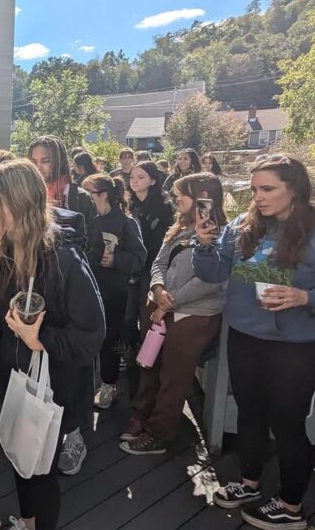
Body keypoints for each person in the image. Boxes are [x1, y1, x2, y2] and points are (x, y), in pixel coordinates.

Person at [195, 155, 315, 530]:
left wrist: (306, 297)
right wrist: (205, 244)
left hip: (295, 348)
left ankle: (291, 507)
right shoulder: (243, 226)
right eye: (254, 189)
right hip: (244, 338)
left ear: (295, 189)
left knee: (288, 424)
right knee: (249, 415)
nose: (258, 197)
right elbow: (211, 274)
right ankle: (249, 483)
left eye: (268, 189)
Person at [0, 159, 105, 530]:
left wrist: (40, 339)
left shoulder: (63, 258)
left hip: (55, 386)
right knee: (20, 458)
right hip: (11, 377)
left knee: (41, 468)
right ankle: (28, 524)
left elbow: (91, 335)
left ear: (18, 202)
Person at [121, 173, 227, 454]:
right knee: (150, 364)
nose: (176, 197)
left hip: (192, 315)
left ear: (204, 197)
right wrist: (157, 288)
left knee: (174, 376)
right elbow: (160, 260)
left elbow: (210, 280)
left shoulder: (222, 236)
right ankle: (141, 415)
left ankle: (160, 432)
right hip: (161, 308)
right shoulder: (179, 227)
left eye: (183, 193)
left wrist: (169, 302)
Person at [81, 174, 147, 410]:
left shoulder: (126, 222)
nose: (84, 198)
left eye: (88, 193)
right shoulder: (85, 220)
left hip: (114, 292)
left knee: (111, 340)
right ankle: (85, 386)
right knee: (85, 339)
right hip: (85, 291)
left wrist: (116, 260)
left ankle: (109, 385)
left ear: (102, 195)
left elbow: (139, 258)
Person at [123, 161, 174, 394]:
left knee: (148, 317)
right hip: (132, 266)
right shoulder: (128, 206)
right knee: (127, 314)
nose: (134, 181)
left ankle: (150, 361)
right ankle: (129, 354)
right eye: (132, 177)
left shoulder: (165, 207)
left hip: (154, 267)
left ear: (153, 180)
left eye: (141, 177)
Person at [28, 136, 104, 267]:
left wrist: (74, 268)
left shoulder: (80, 198)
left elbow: (95, 246)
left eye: (45, 161)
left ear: (59, 162)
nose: (38, 167)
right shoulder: (25, 196)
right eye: (33, 162)